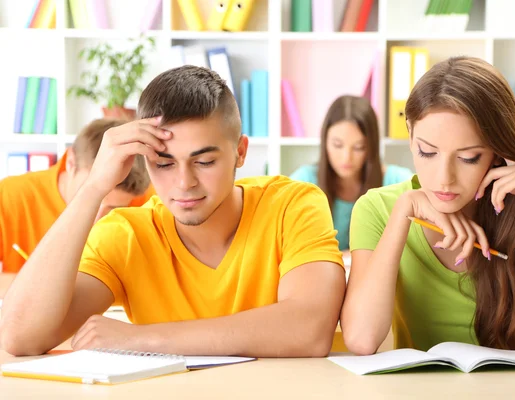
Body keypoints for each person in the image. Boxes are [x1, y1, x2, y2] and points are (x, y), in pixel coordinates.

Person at [0, 66, 346, 358]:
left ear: (240, 152)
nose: (184, 183)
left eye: (205, 161)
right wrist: (93, 187)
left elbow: (310, 329)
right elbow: (18, 337)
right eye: (163, 163)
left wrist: (141, 339)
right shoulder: (127, 235)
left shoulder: (293, 205)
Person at [340, 56, 515, 364]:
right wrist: (403, 213)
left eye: (468, 158)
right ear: (410, 135)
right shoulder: (379, 208)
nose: (444, 179)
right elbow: (360, 339)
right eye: (427, 152)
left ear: (497, 152)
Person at [0, 118, 154, 275]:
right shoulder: (9, 195)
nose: (95, 222)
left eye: (114, 208)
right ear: (71, 162)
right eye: (92, 197)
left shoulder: (149, 203)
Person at [290, 95, 412, 254]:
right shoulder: (303, 183)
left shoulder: (398, 182)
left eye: (359, 147)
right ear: (325, 140)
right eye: (337, 145)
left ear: (371, 147)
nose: (346, 157)